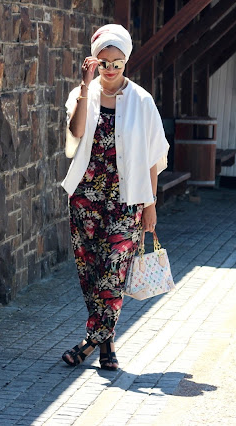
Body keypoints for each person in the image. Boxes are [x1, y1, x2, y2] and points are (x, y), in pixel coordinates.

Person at [60, 24, 169, 371]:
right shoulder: (83, 95)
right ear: (93, 61)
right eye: (103, 62)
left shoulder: (142, 101)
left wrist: (150, 205)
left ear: (126, 62)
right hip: (86, 199)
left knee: (113, 273)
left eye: (117, 63)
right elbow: (75, 132)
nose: (110, 69)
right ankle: (106, 346)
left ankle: (88, 343)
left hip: (127, 203)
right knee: (92, 275)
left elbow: (153, 157)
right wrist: (84, 86)